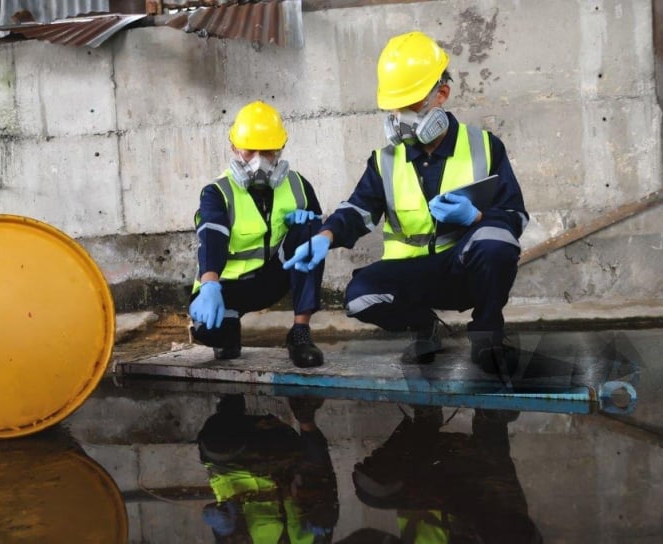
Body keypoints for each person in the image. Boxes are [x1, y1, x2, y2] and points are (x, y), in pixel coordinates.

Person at [284, 31, 529, 374]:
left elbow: (514, 215)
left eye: (411, 104)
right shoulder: (386, 160)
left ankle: (488, 338)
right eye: (395, 107)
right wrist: (324, 237)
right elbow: (357, 210)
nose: (401, 117)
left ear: (441, 94)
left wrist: (475, 216)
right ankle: (424, 328)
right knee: (358, 296)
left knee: (497, 242)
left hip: (463, 269)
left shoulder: (484, 147)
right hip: (411, 276)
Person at [190, 100, 326, 368]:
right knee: (212, 331)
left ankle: (300, 333)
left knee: (311, 232)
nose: (259, 161)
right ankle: (227, 332)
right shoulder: (217, 192)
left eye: (268, 152)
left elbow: (320, 234)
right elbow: (212, 236)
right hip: (223, 286)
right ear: (234, 148)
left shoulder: (297, 185)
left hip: (270, 279)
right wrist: (208, 284)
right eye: (250, 151)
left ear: (280, 149)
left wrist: (308, 224)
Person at [348, 405, 542, 543]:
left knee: (373, 489)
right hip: (481, 492)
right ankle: (490, 418)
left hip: (437, 485)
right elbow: (525, 534)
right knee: (508, 529)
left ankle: (426, 420)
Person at [197, 393, 339, 543]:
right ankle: (304, 412)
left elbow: (226, 533)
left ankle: (229, 397)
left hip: (233, 465)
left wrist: (222, 526)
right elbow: (325, 482)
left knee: (216, 441)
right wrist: (324, 513)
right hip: (279, 453)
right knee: (319, 480)